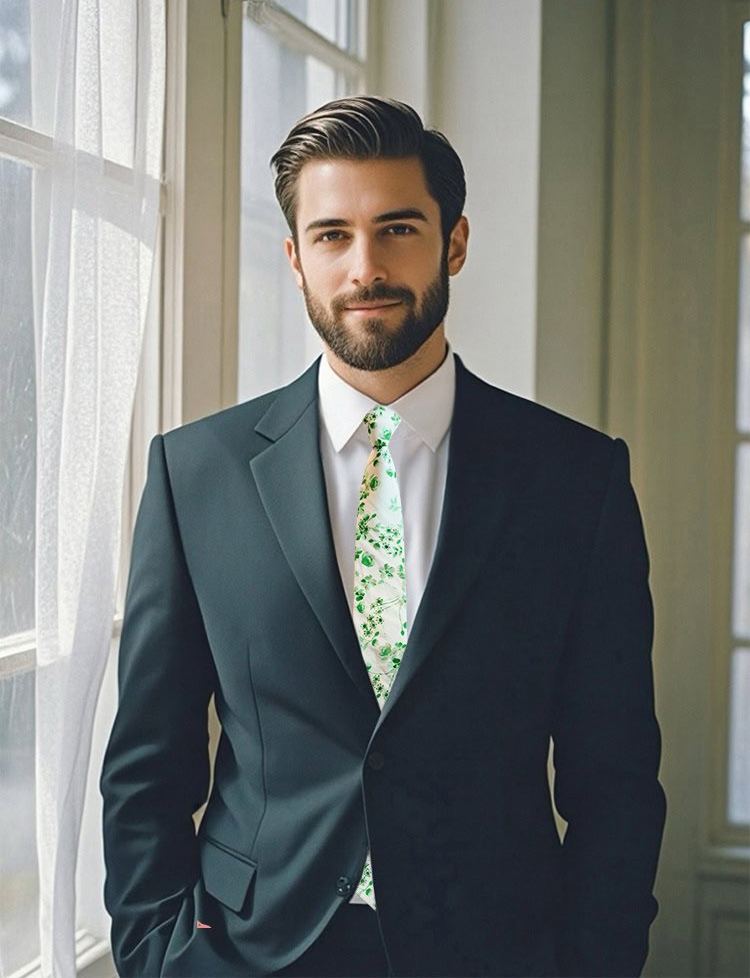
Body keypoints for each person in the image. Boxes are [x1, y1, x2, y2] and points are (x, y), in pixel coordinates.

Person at [100, 96, 666, 978]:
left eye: (398, 228)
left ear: (456, 242)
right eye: (331, 235)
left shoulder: (576, 481)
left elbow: (618, 780)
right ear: (294, 259)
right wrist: (156, 956)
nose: (365, 267)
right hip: (250, 953)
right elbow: (146, 767)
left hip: (499, 949)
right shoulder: (194, 473)